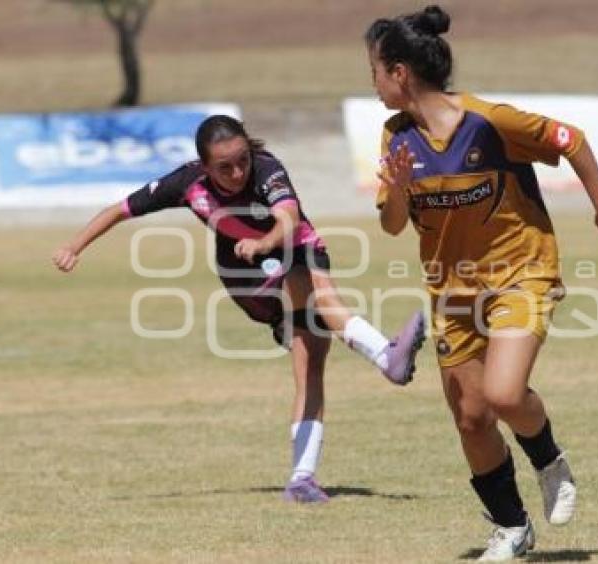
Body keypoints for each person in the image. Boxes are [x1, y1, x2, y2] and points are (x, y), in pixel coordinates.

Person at [365, 6, 598, 561]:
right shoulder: (396, 138)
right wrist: (395, 188)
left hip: (520, 274)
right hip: (450, 292)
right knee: (471, 418)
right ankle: (512, 528)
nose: (373, 83)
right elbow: (392, 226)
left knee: (504, 394)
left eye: (375, 71)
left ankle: (550, 459)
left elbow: (570, 139)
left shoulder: (489, 121)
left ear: (400, 72)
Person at [51, 115, 425, 504]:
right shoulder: (186, 183)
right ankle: (381, 357)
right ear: (203, 165)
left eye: (242, 160)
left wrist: (265, 243)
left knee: (311, 345)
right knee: (309, 334)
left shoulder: (267, 169)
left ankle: (305, 473)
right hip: (247, 280)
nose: (237, 172)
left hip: (297, 250)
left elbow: (288, 218)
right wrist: (74, 247)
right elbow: (120, 209)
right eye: (224, 167)